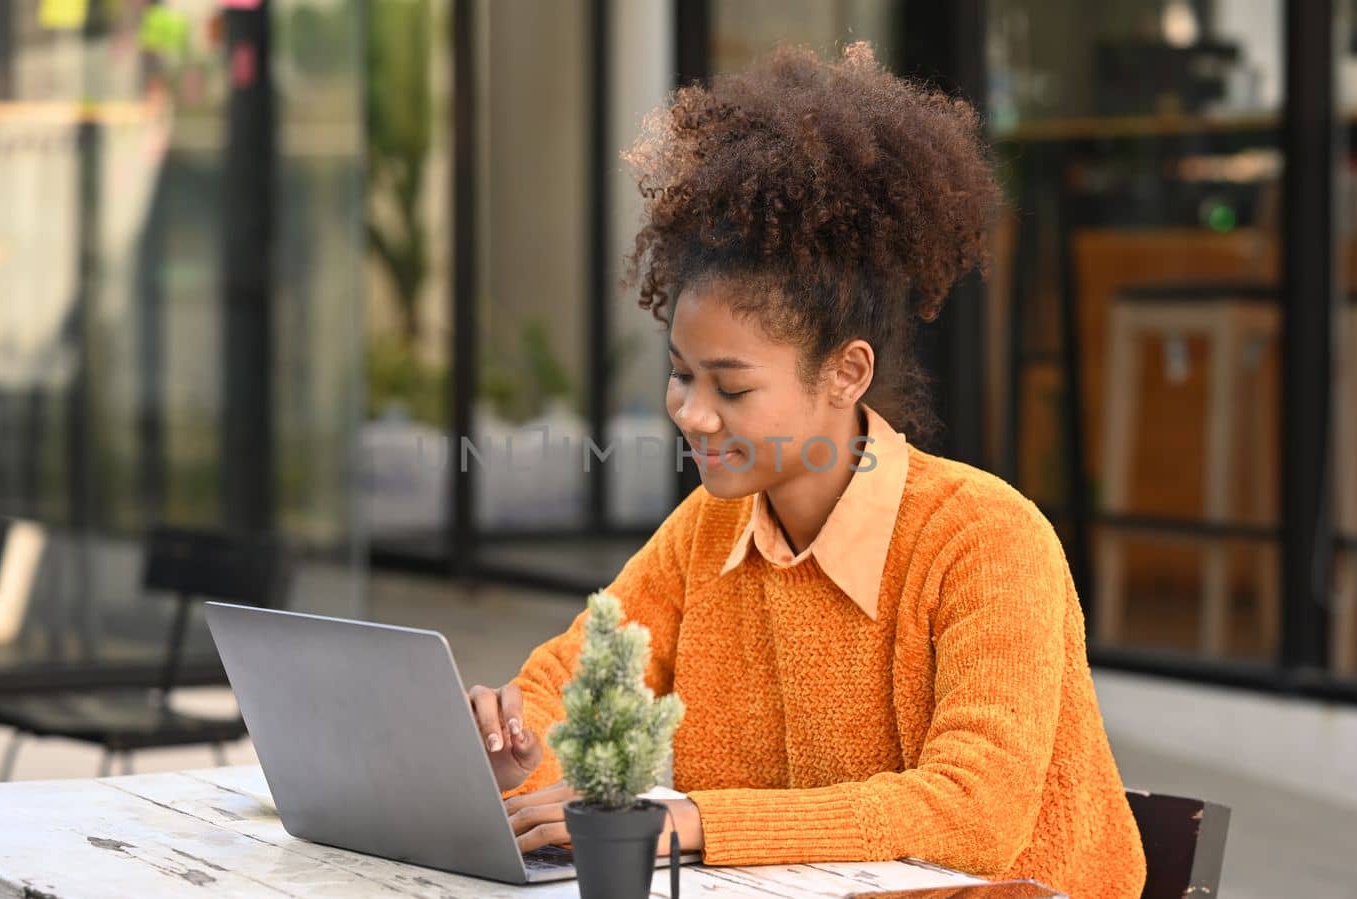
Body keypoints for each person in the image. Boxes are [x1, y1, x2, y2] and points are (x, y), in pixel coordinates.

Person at [467, 42, 1146, 898]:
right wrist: (514, 748)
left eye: (732, 386)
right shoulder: (706, 532)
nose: (691, 411)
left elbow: (974, 812)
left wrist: (697, 820)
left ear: (847, 373)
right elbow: (569, 684)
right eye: (681, 373)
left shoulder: (985, 538)